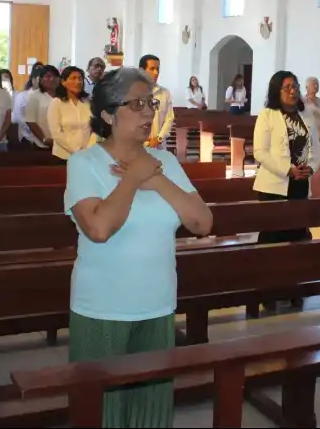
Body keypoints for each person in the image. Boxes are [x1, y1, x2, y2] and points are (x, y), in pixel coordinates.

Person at [65, 67, 212, 428]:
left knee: (151, 414)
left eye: (151, 102)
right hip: (102, 308)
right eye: (137, 104)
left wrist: (157, 178)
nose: (149, 112)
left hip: (157, 305)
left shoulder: (168, 164)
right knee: (101, 414)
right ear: (108, 115)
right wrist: (132, 177)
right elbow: (100, 228)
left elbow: (202, 223)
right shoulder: (84, 164)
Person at [252, 70, 320, 245]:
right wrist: (287, 170)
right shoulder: (267, 115)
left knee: (298, 232)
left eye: (295, 86)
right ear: (277, 90)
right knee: (274, 235)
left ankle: (295, 271)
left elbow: (316, 148)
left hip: (300, 182)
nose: (293, 91)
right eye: (287, 87)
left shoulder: (306, 115)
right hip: (273, 186)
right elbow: (260, 151)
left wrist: (311, 167)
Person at [47, 66, 94, 160]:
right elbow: (56, 133)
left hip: (86, 155)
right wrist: (76, 150)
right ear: (63, 82)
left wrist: (88, 149)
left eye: (80, 78)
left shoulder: (87, 102)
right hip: (63, 156)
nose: (78, 82)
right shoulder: (57, 103)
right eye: (73, 78)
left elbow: (93, 129)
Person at [139, 54, 173, 149]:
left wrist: (158, 138)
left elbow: (169, 118)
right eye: (152, 68)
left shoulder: (165, 93)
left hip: (159, 146)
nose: (156, 72)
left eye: (158, 69)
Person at [25, 65, 60, 149]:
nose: (52, 79)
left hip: (62, 145)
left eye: (55, 76)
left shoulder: (63, 96)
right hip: (41, 144)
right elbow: (30, 121)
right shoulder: (34, 96)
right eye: (47, 76)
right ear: (40, 79)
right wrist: (44, 139)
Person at [302, 77, 320, 197]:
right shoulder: (302, 101)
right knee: (310, 163)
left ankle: (319, 192)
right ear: (307, 87)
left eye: (317, 84)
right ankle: (308, 192)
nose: (316, 86)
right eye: (313, 84)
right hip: (309, 135)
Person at [14, 66, 43, 147]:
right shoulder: (22, 96)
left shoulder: (49, 97)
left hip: (46, 139)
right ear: (33, 80)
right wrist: (35, 129)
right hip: (28, 138)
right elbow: (19, 117)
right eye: (40, 79)